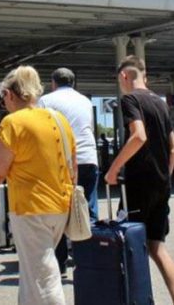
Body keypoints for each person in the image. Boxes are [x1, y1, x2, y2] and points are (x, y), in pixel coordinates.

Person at [0, 65, 75, 305]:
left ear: (10, 94)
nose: (3, 101)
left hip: (31, 209)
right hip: (60, 207)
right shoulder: (59, 119)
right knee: (33, 275)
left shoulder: (13, 123)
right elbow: (73, 168)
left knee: (44, 279)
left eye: (2, 96)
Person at [105, 56, 174, 305]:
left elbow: (138, 136)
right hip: (162, 184)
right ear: (144, 76)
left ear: (124, 76)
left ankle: (136, 299)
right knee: (156, 246)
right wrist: (164, 177)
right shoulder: (160, 103)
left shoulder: (130, 99)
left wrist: (113, 169)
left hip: (138, 184)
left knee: (129, 244)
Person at [37, 67, 99, 275]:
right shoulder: (85, 101)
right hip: (88, 157)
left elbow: (42, 133)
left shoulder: (46, 101)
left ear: (53, 83)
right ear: (73, 82)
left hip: (62, 161)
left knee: (60, 210)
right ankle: (89, 260)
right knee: (87, 208)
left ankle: (61, 262)